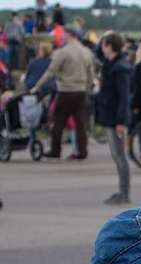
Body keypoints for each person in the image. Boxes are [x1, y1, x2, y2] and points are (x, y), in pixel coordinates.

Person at [30, 24, 93, 161]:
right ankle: (82, 151)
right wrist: (87, 89)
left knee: (58, 120)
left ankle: (55, 149)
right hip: (81, 90)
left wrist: (37, 86)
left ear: (69, 35)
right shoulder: (86, 52)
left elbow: (50, 72)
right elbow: (90, 74)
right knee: (80, 122)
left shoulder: (63, 53)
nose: (62, 37)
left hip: (66, 90)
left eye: (63, 34)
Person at [96, 32, 131, 205]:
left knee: (120, 155)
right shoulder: (112, 65)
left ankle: (124, 191)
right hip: (110, 114)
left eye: (104, 45)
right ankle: (122, 190)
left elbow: (124, 96)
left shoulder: (120, 68)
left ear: (110, 46)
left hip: (116, 116)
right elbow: (96, 53)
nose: (102, 48)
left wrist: (121, 121)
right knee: (116, 155)